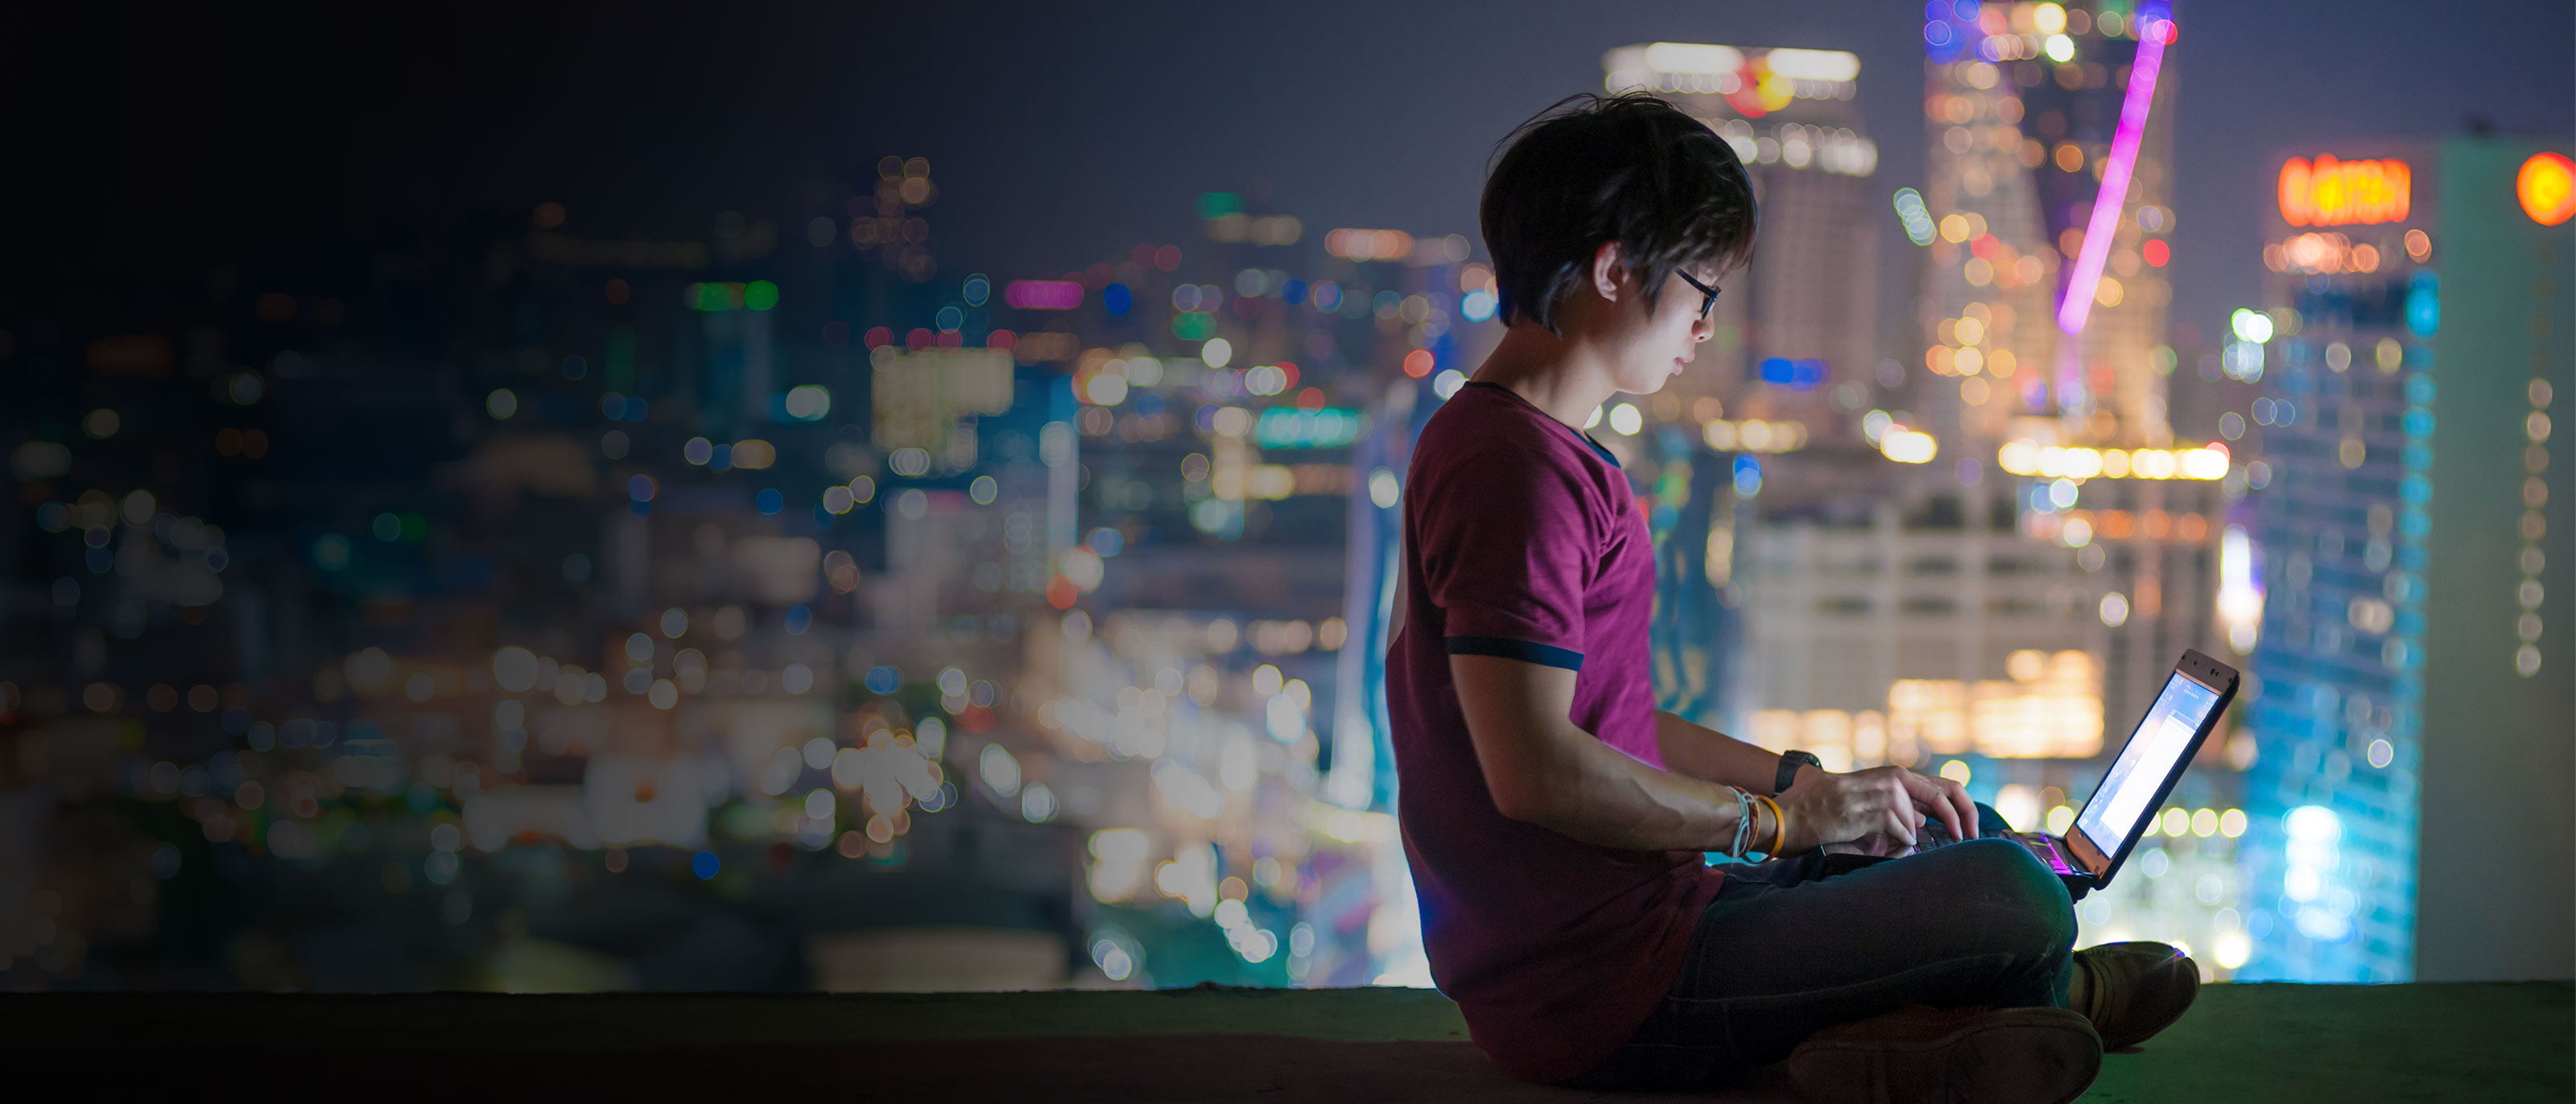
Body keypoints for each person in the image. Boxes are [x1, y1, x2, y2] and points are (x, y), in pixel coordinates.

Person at [1384, 92, 2199, 1103]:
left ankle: (1958, 1022)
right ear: (1612, 270)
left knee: (1957, 828)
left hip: (1647, 915)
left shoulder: (1526, 447)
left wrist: (1810, 785)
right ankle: (2037, 995)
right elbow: (1538, 776)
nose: (1705, 324)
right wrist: (1776, 824)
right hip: (1599, 991)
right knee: (2013, 898)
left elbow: (1611, 727)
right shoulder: (1517, 472)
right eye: (1698, 289)